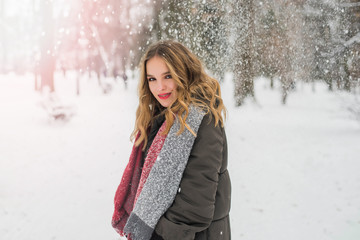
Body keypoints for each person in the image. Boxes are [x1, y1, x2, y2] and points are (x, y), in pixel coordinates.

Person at [112, 40, 231, 240]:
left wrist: (158, 232)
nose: (160, 87)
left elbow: (196, 202)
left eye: (168, 76)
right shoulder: (159, 119)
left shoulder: (201, 118)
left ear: (184, 72)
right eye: (152, 79)